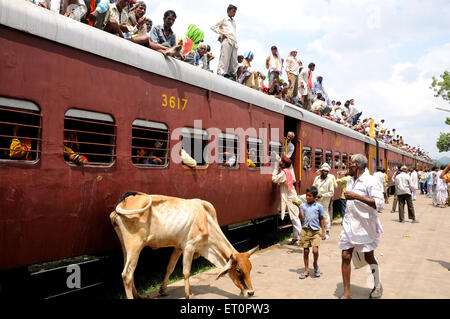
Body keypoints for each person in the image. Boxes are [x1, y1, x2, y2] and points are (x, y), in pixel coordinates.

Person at [339, 154, 384, 299]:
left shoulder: (371, 181)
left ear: (356, 165)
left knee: (368, 256)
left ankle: (377, 284)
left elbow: (379, 204)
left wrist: (356, 196)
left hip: (365, 225)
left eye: (350, 164)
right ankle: (347, 293)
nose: (348, 166)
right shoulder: (350, 181)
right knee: (345, 255)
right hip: (349, 224)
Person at [272, 156, 302, 245]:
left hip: (290, 198)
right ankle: (295, 238)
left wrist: (274, 169)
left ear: (284, 164)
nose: (280, 162)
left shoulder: (284, 172)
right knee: (295, 218)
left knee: (295, 219)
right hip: (292, 196)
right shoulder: (288, 171)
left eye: (281, 161)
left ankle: (303, 239)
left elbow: (274, 179)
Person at [298, 186, 325, 279]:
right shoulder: (302, 206)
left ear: (314, 197)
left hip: (316, 231)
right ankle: (306, 270)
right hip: (305, 230)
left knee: (315, 250)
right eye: (306, 195)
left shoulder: (319, 207)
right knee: (305, 251)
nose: (307, 197)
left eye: (309, 196)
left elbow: (321, 219)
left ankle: (315, 264)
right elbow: (302, 218)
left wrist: (323, 232)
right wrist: (299, 209)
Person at [211, 4, 238, 79]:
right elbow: (213, 27)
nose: (234, 13)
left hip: (234, 41)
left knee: (234, 60)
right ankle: (221, 73)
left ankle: (232, 75)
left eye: (235, 12)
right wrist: (222, 34)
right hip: (227, 40)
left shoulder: (233, 21)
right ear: (229, 11)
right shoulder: (224, 19)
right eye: (233, 11)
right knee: (224, 58)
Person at [312, 163, 335, 240]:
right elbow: (313, 187)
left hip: (325, 200)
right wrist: (314, 194)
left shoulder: (329, 181)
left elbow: (331, 192)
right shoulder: (317, 178)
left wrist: (322, 195)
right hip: (316, 199)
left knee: (325, 215)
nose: (325, 172)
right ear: (321, 171)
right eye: (324, 171)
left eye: (327, 171)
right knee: (316, 215)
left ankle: (327, 231)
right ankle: (316, 231)